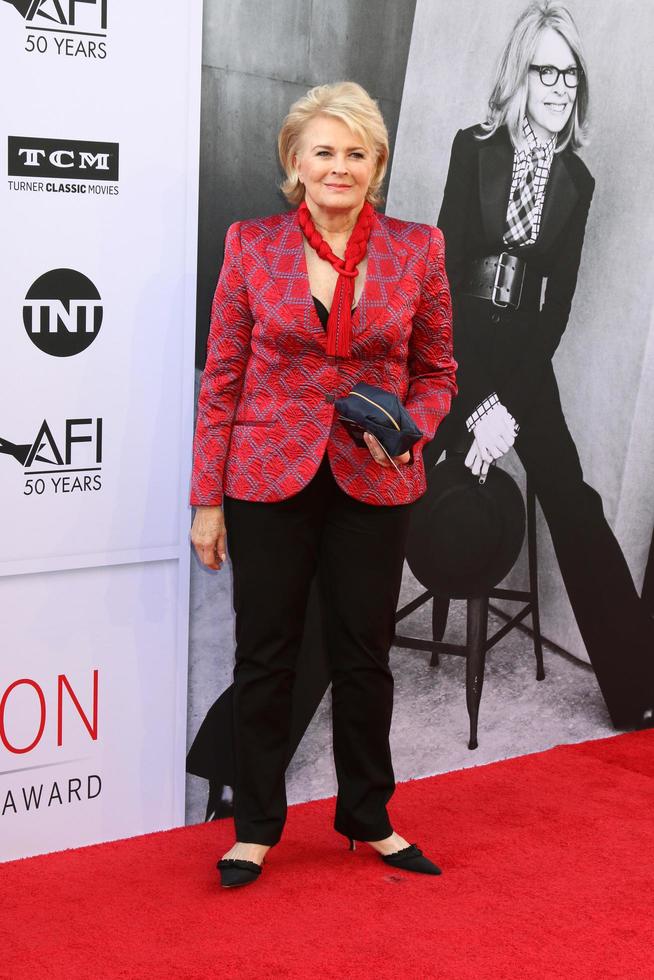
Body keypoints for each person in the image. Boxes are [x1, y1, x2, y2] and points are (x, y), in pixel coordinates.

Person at [190, 81, 457, 887]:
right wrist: (207, 498)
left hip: (372, 482)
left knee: (364, 655)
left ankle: (367, 817)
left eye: (356, 152)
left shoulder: (418, 248)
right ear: (295, 162)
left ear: (376, 164)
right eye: (324, 152)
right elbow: (222, 377)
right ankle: (255, 827)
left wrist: (412, 433)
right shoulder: (252, 244)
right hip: (266, 474)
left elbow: (437, 372)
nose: (339, 166)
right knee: (265, 655)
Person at [423, 0, 654, 730]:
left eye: (571, 73)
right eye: (545, 69)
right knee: (381, 488)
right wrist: (475, 404)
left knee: (573, 497)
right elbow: (442, 276)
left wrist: (510, 408)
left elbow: (554, 312)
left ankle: (638, 685)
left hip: (524, 358)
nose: (559, 86)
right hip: (454, 350)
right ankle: (249, 742)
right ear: (520, 73)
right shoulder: (473, 148)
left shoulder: (578, 182)